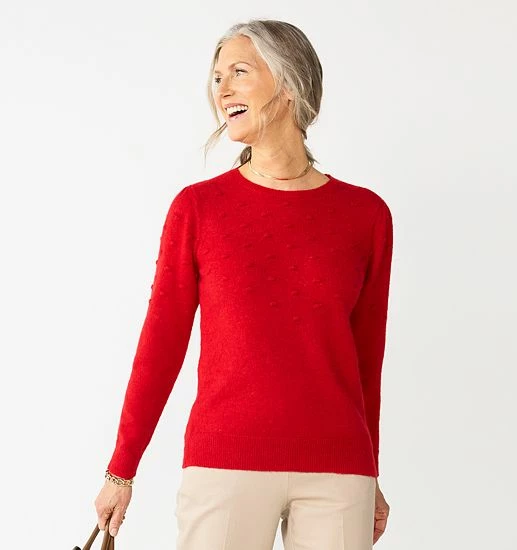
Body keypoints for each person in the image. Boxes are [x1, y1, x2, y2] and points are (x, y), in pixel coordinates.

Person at [94, 19, 393, 550]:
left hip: (338, 471)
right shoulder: (199, 209)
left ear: (289, 82)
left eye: (239, 72)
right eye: (216, 78)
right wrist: (122, 469)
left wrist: (370, 472)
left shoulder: (365, 215)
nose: (222, 90)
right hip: (224, 464)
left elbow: (367, 359)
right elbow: (161, 344)